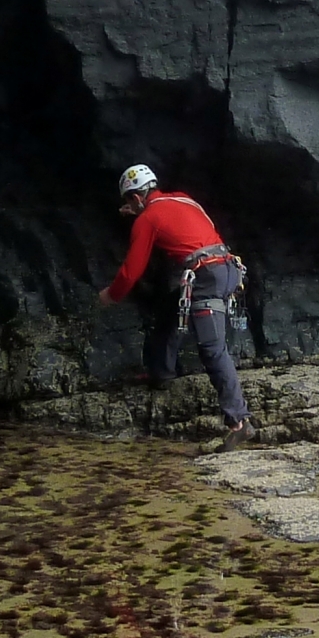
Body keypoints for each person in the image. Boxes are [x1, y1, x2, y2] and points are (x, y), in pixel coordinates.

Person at [100, 164, 252, 442]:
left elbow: (131, 271)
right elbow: (182, 223)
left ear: (135, 198)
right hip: (226, 268)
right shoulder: (182, 198)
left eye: (128, 201)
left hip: (207, 276)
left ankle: (239, 422)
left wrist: (112, 295)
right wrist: (140, 213)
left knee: (212, 349)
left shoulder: (147, 220)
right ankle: (161, 372)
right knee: (170, 311)